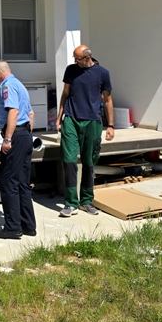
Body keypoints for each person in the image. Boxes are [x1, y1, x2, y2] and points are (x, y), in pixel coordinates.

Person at [56, 44, 115, 217]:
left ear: (88, 57)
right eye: (74, 58)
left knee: (89, 162)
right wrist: (59, 118)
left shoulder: (103, 73)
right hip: (71, 120)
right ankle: (70, 203)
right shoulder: (71, 70)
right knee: (69, 160)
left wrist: (111, 125)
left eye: (78, 59)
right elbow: (65, 94)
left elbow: (108, 100)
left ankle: (86, 201)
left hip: (92, 122)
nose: (76, 61)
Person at [0, 60, 37, 239]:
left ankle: (12, 228)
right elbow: (31, 113)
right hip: (25, 135)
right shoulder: (19, 84)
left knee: (9, 182)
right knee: (23, 183)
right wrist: (26, 135)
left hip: (15, 136)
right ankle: (28, 225)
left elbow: (13, 112)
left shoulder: (7, 86)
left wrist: (8, 138)